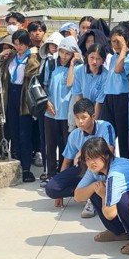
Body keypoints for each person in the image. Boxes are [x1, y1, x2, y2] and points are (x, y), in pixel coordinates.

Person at [43, 98, 116, 207]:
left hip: (102, 167)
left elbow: (110, 150)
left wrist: (85, 153)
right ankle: (89, 191)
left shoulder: (105, 126)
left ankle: (95, 194)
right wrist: (60, 192)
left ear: (93, 116)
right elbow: (66, 162)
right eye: (77, 118)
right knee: (51, 188)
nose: (80, 121)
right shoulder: (74, 135)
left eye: (84, 117)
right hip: (83, 167)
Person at [73, 137, 129, 243]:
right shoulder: (94, 169)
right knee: (94, 189)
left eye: (95, 157)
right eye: (87, 159)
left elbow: (110, 214)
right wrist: (94, 185)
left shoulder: (116, 173)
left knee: (123, 200)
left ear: (106, 155)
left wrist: (104, 195)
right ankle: (119, 232)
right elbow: (78, 196)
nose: (91, 162)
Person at [0, 29, 41, 182]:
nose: (18, 47)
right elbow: (0, 71)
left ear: (27, 43)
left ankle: (26, 168)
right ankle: (16, 164)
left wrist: (32, 55)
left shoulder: (32, 58)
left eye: (21, 44)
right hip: (11, 95)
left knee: (25, 135)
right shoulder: (12, 57)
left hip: (25, 98)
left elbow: (32, 72)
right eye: (15, 44)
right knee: (13, 132)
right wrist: (2, 57)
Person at [41, 36, 76, 183]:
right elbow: (43, 85)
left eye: (68, 53)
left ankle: (63, 174)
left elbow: (69, 83)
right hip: (50, 112)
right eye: (62, 52)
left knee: (65, 145)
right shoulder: (50, 64)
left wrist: (73, 64)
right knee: (50, 144)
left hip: (67, 113)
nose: (64, 56)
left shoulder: (76, 67)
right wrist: (47, 103)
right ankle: (50, 174)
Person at [101, 25, 129, 159]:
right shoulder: (113, 57)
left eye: (119, 41)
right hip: (109, 97)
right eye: (113, 42)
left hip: (123, 98)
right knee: (106, 133)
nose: (115, 45)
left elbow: (118, 70)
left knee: (123, 135)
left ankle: (125, 164)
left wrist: (124, 48)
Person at [72, 42, 109, 121]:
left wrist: (93, 122)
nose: (94, 61)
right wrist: (82, 117)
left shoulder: (106, 75)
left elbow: (99, 102)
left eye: (98, 58)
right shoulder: (78, 70)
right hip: (82, 106)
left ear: (103, 60)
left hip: (99, 109)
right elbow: (78, 95)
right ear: (87, 56)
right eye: (92, 57)